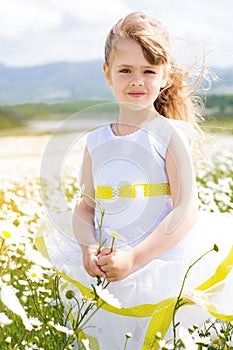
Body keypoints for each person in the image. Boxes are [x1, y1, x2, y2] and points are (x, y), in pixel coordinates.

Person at [37, 11, 233, 349]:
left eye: (148, 71)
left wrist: (135, 258)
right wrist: (87, 248)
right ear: (107, 73)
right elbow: (86, 207)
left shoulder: (170, 135)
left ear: (165, 76)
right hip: (112, 268)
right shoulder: (96, 141)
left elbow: (185, 210)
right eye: (125, 70)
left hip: (158, 263)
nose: (136, 81)